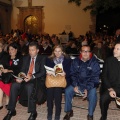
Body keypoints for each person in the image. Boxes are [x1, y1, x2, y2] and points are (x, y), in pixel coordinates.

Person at [3, 42, 46, 120]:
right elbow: (22, 70)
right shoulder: (26, 58)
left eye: (33, 50)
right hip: (25, 78)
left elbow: (42, 72)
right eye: (29, 50)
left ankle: (33, 112)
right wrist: (20, 77)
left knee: (29, 86)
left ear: (37, 50)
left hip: (36, 79)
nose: (30, 52)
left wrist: (32, 76)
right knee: (14, 84)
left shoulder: (42, 58)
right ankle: (11, 110)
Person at [63, 45, 100, 120]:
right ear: (80, 52)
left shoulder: (94, 62)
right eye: (84, 51)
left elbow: (95, 78)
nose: (86, 53)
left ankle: (90, 114)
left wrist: (88, 88)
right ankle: (68, 111)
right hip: (78, 83)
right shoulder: (76, 61)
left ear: (90, 52)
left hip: (90, 85)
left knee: (93, 95)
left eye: (88, 51)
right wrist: (75, 84)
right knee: (67, 91)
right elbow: (72, 74)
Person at [45, 45, 72, 120]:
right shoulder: (49, 59)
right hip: (52, 80)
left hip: (62, 80)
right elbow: (46, 70)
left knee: (57, 91)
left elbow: (71, 72)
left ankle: (57, 114)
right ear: (53, 51)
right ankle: (49, 113)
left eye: (59, 51)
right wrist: (48, 73)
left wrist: (65, 73)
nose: (57, 53)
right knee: (49, 92)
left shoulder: (67, 59)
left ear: (62, 51)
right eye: (56, 51)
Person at [100, 42, 120, 120]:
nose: (114, 50)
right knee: (103, 99)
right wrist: (110, 89)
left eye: (117, 49)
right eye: (114, 48)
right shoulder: (109, 60)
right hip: (110, 87)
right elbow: (104, 76)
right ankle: (104, 117)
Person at [0, 42, 22, 110]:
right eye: (9, 49)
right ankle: (0, 103)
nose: (10, 51)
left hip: (14, 76)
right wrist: (1, 70)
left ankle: (7, 102)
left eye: (12, 49)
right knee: (1, 82)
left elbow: (19, 69)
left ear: (16, 49)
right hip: (6, 76)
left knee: (6, 83)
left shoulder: (20, 58)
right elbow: (1, 64)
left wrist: (8, 71)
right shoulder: (6, 57)